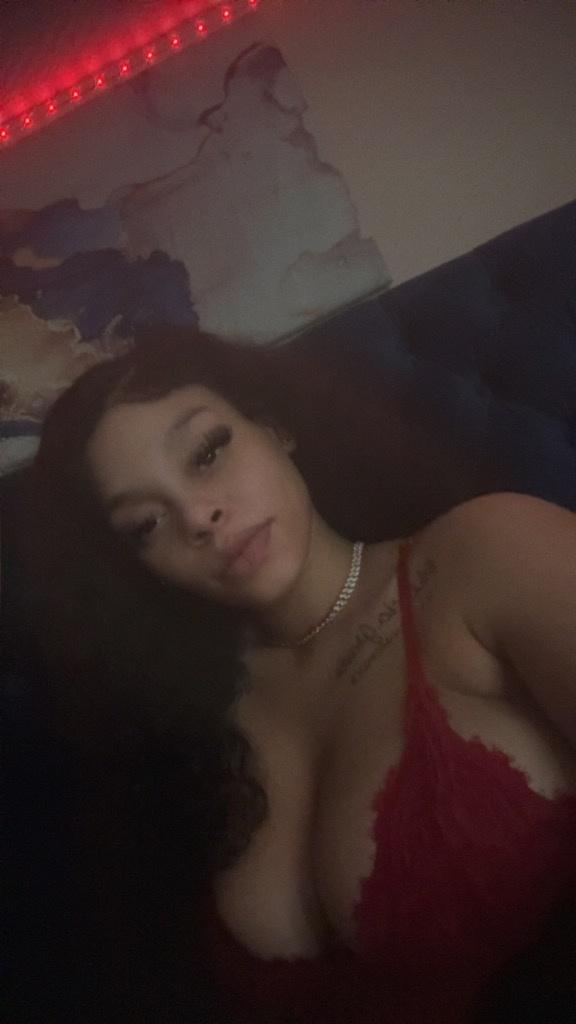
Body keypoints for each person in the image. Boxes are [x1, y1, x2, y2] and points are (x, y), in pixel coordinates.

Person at [26, 326, 576, 1023]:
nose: (198, 517)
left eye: (207, 452)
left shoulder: (484, 554)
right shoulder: (180, 735)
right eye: (144, 524)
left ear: (274, 428)